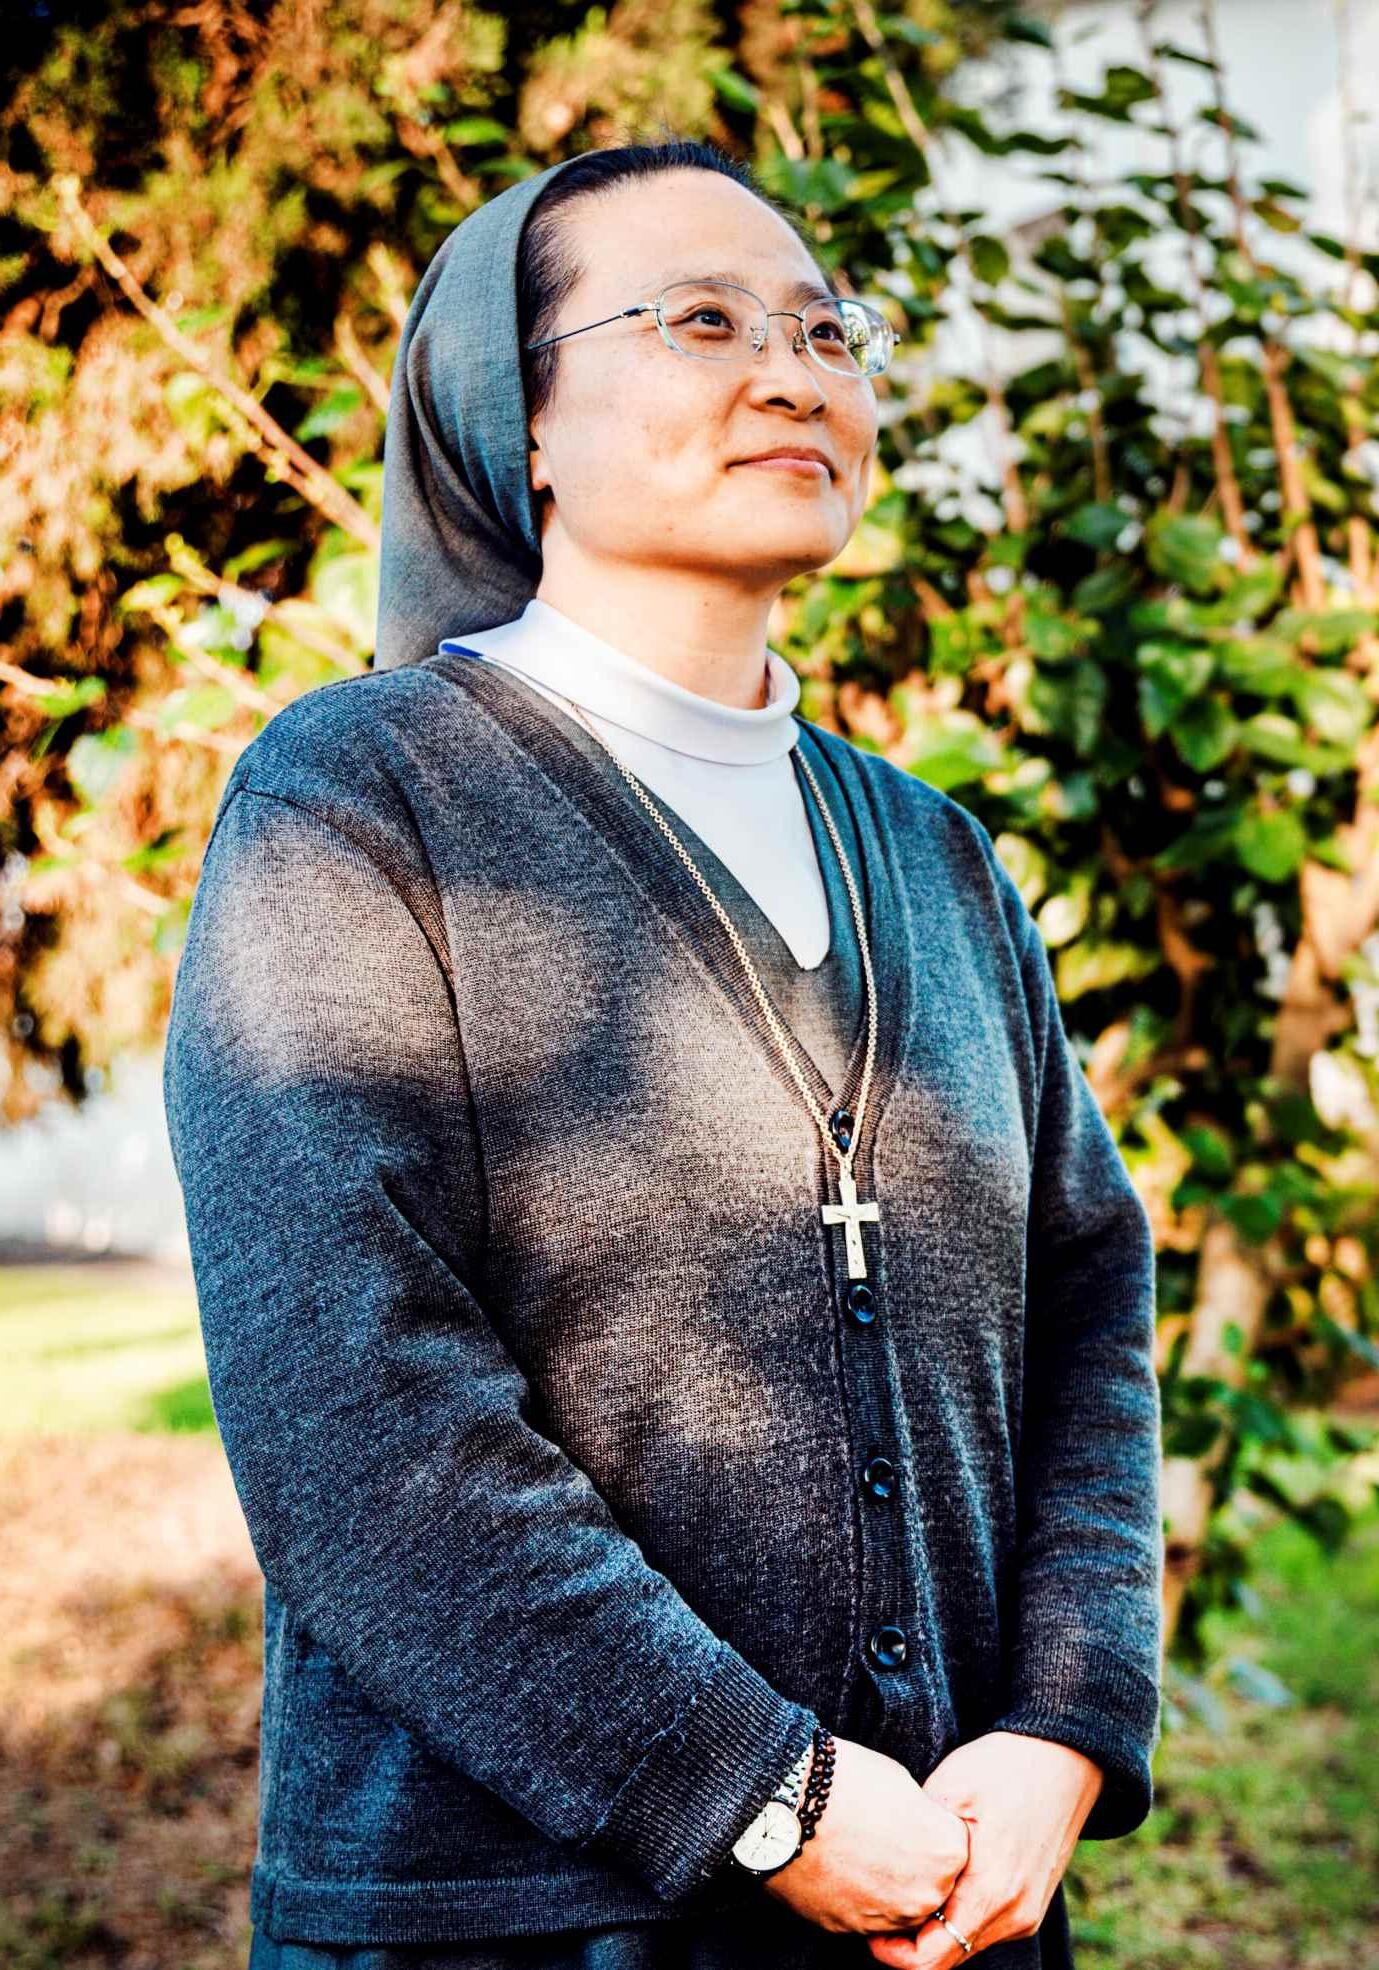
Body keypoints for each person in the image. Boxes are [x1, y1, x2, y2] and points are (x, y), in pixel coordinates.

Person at [162, 137, 1164, 1970]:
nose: (795, 373)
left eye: (826, 330)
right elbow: (350, 1409)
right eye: (704, 321)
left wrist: (1066, 1721)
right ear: (521, 418)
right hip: (506, 1924)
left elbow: (1088, 1295)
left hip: (953, 1899)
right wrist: (758, 1788)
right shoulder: (358, 799)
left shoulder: (935, 854)